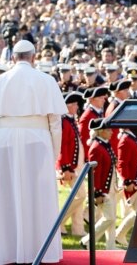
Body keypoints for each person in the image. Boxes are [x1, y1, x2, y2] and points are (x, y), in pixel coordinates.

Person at [0, 39, 67, 264]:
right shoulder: (46, 80)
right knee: (39, 195)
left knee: (7, 194)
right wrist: (55, 154)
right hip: (38, 140)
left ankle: (8, 251)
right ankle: (42, 250)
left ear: (12, 58)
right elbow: (55, 123)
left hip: (4, 140)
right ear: (34, 57)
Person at [81, 119, 118, 250]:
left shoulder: (104, 144)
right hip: (102, 190)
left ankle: (111, 246)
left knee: (112, 219)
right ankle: (86, 241)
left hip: (110, 188)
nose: (112, 132)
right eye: (108, 130)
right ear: (101, 131)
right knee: (109, 218)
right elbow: (95, 173)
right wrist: (97, 192)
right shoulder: (97, 148)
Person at [57, 92, 88, 237]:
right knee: (80, 196)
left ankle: (78, 229)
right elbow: (62, 146)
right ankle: (59, 222)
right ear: (69, 105)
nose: (77, 107)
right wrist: (65, 168)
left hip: (77, 165)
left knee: (79, 198)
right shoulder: (64, 121)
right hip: (70, 167)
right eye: (75, 104)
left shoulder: (70, 120)